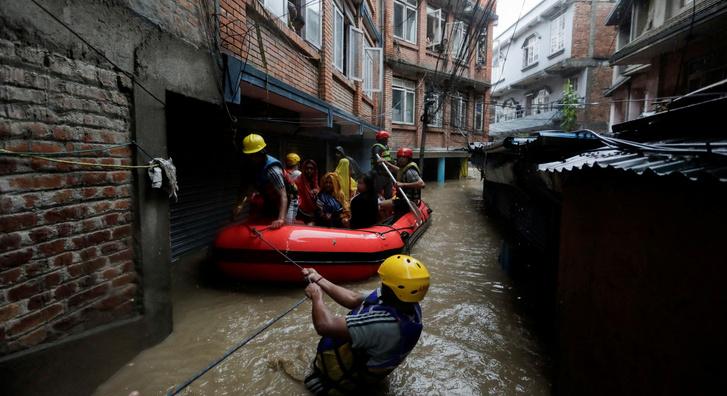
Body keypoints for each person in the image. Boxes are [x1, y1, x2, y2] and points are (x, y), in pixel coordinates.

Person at [301, 254, 430, 395]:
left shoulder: (383, 324)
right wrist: (319, 279)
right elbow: (353, 299)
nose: (382, 284)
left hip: (346, 377)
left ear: (393, 290)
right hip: (367, 366)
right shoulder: (407, 304)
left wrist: (316, 296)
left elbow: (324, 326)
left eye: (385, 282)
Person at [239, 133, 296, 229]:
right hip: (271, 197)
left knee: (285, 225)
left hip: (289, 196)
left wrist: (281, 219)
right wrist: (240, 205)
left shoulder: (272, 170)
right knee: (266, 219)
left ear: (261, 152)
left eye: (254, 155)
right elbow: (249, 188)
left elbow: (283, 195)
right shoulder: (253, 166)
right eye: (249, 155)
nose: (251, 158)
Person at [380, 147, 425, 218]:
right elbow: (399, 171)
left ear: (408, 159)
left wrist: (403, 184)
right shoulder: (404, 168)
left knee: (381, 204)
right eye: (399, 157)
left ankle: (383, 223)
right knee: (384, 203)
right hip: (403, 198)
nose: (400, 159)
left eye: (403, 157)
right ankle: (390, 218)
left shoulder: (410, 171)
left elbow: (422, 184)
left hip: (409, 202)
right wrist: (386, 163)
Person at [370, 130, 394, 199]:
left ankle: (387, 205)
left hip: (387, 173)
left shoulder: (385, 147)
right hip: (380, 174)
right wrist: (380, 172)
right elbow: (376, 161)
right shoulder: (377, 147)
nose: (387, 140)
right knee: (376, 192)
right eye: (386, 139)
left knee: (389, 193)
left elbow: (387, 158)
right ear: (383, 139)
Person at [295, 159, 319, 225]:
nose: (309, 171)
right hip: (300, 213)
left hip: (314, 214)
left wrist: (317, 193)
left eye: (311, 168)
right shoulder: (298, 181)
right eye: (307, 168)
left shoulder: (316, 182)